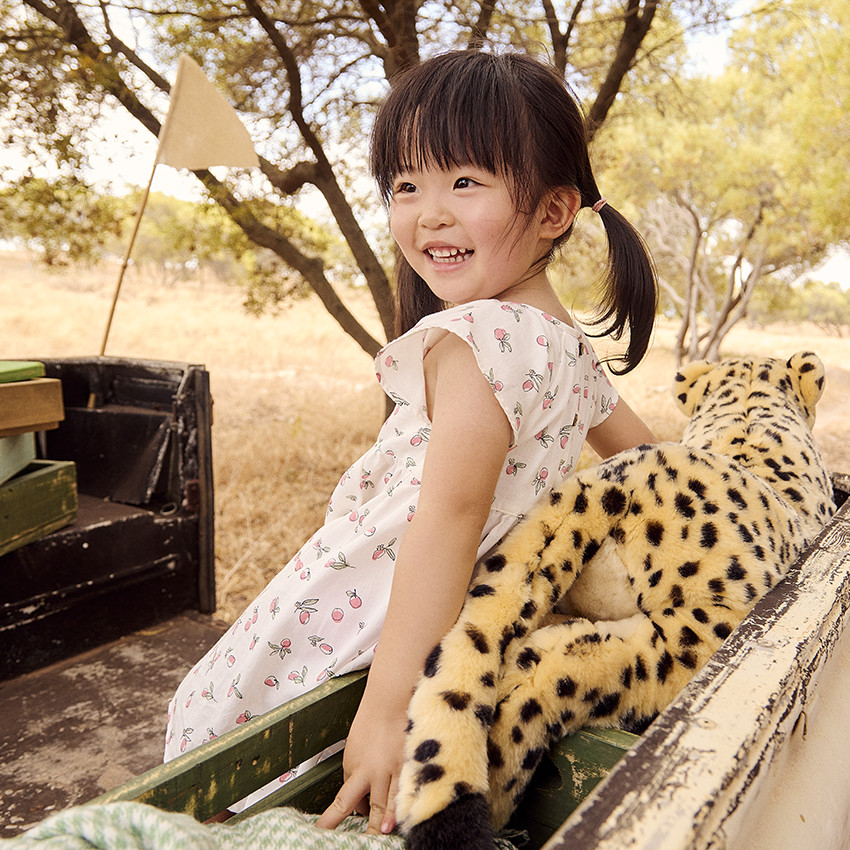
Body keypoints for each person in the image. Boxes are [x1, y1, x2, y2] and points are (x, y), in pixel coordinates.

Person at [163, 48, 658, 837]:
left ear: (555, 211)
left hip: (366, 610)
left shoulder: (478, 337)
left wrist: (389, 706)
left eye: (465, 182)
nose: (429, 213)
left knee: (220, 740)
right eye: (406, 186)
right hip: (437, 618)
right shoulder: (567, 349)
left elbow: (451, 516)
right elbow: (647, 466)